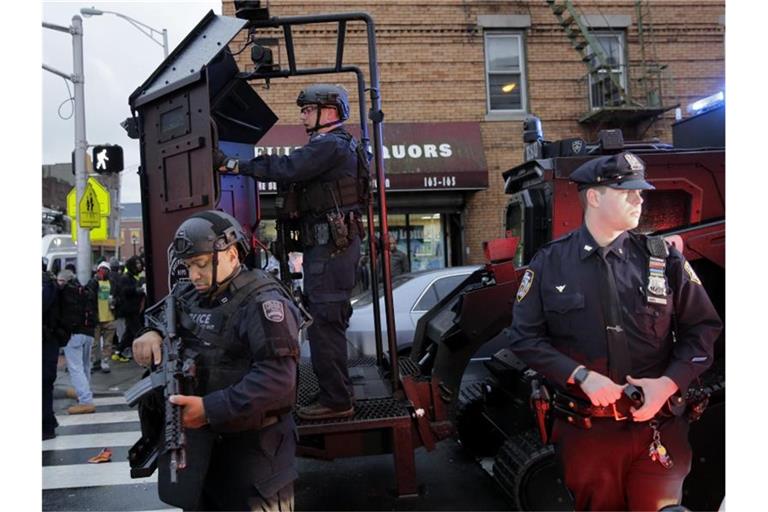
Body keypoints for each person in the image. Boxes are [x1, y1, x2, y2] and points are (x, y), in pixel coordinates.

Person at [506, 152, 722, 511]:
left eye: (640, 191)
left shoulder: (663, 259)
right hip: (589, 434)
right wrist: (580, 376)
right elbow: (523, 337)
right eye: (627, 192)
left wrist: (667, 384)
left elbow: (703, 327)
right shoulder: (549, 263)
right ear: (594, 196)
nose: (640, 199)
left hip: (660, 424)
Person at [132, 210, 301, 511]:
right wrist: (149, 332)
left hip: (254, 455)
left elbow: (278, 380)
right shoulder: (192, 294)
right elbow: (160, 314)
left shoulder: (263, 302)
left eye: (200, 264)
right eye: (187, 266)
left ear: (232, 255)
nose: (193, 274)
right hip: (202, 453)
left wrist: (209, 409)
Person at [218, 84, 368, 420]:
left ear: (328, 112)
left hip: (331, 250)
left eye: (307, 109)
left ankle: (337, 402)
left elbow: (287, 167)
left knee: (324, 324)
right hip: (331, 249)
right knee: (327, 323)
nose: (302, 115)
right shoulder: (335, 146)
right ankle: (335, 391)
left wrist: (233, 165)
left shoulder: (330, 145)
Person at [57, 269, 98, 414]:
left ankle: (85, 400)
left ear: (63, 280)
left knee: (75, 368)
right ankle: (84, 393)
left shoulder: (66, 292)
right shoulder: (84, 290)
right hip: (89, 333)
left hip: (73, 334)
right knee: (85, 366)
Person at [42, 261, 65, 439]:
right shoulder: (49, 284)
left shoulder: (46, 285)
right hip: (48, 339)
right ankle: (48, 421)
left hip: (48, 339)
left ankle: (46, 426)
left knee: (44, 384)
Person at [88, 262, 118, 373]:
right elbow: (89, 297)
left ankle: (105, 361)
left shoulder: (112, 283)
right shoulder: (93, 282)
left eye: (106, 270)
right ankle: (93, 361)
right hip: (97, 317)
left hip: (109, 316)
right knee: (94, 343)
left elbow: (119, 296)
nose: (103, 272)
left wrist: (115, 302)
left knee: (108, 343)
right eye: (101, 269)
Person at [116, 255, 146, 360]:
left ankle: (119, 351)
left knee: (129, 333)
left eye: (139, 263)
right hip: (129, 309)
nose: (139, 265)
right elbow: (125, 291)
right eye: (137, 263)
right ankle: (143, 352)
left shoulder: (137, 277)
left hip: (136, 308)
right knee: (138, 331)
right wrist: (137, 290)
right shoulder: (126, 277)